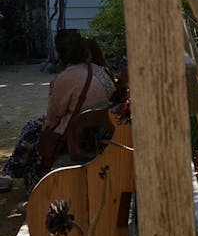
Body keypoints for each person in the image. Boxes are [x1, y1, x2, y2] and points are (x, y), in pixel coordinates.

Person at [0, 31, 116, 194]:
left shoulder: (65, 78)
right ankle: (9, 172)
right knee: (33, 126)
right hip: (99, 129)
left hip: (75, 134)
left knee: (35, 130)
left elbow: (53, 116)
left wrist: (51, 122)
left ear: (59, 52)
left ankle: (13, 176)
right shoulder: (101, 71)